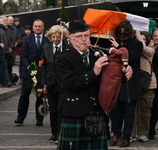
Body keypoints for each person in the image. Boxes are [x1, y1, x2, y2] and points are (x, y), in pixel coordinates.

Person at [56, 19, 133, 150]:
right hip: (74, 113)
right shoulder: (63, 58)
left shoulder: (97, 55)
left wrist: (124, 72)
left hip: (96, 114)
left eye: (86, 35)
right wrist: (94, 72)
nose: (84, 39)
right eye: (80, 36)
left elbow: (110, 78)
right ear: (70, 38)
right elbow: (70, 84)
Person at [109, 20, 143, 147]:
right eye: (120, 34)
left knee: (129, 112)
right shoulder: (113, 42)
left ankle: (126, 137)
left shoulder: (137, 44)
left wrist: (118, 47)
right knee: (115, 110)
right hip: (116, 82)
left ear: (129, 33)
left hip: (130, 84)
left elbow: (132, 57)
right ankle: (116, 133)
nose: (122, 37)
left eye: (124, 34)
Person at [14, 19, 49, 126]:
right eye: (35, 26)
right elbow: (23, 56)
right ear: (33, 28)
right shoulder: (27, 39)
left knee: (40, 96)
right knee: (24, 95)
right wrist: (29, 67)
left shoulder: (48, 39)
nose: (37, 28)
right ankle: (20, 117)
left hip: (42, 73)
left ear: (43, 27)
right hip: (28, 72)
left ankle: (39, 119)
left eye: (39, 26)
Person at [40, 25, 69, 143]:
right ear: (50, 37)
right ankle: (54, 134)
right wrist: (43, 84)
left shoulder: (66, 48)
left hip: (62, 84)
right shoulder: (46, 48)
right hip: (50, 83)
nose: (56, 39)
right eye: (53, 37)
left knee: (60, 108)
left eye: (58, 37)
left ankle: (60, 133)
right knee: (53, 110)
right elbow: (43, 66)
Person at [131, 30, 156, 142]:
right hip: (134, 82)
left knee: (145, 111)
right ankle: (131, 134)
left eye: (143, 39)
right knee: (132, 111)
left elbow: (144, 49)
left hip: (148, 84)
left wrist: (137, 35)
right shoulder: (133, 48)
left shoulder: (150, 49)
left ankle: (143, 133)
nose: (140, 41)